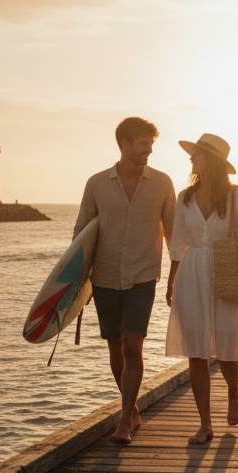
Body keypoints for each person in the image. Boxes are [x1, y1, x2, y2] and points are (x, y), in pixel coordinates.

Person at [73, 117, 176, 446]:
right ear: (125, 144)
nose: (149, 150)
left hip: (142, 276)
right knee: (115, 347)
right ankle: (132, 410)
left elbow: (173, 232)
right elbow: (81, 234)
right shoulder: (97, 184)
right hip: (104, 277)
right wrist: (76, 286)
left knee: (133, 344)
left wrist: (177, 275)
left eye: (151, 144)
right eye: (143, 144)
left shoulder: (162, 183)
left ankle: (124, 421)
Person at [163, 133, 238, 446]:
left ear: (213, 160)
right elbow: (177, 243)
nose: (191, 159)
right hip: (191, 273)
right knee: (196, 351)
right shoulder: (184, 197)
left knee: (228, 347)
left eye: (198, 154)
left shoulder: (236, 196)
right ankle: (205, 424)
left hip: (225, 272)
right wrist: (171, 280)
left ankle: (233, 391)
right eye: (192, 154)